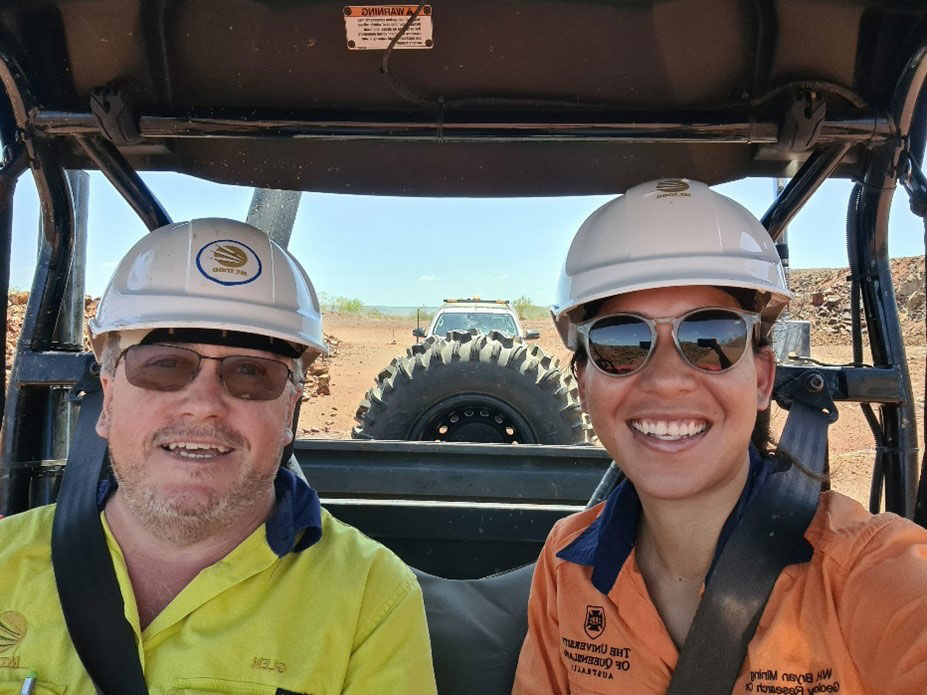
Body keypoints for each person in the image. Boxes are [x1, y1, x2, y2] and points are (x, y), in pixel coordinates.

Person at [513, 179, 927, 693]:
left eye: (711, 340)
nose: (666, 380)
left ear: (760, 379)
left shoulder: (869, 575)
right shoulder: (566, 566)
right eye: (622, 342)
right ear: (582, 385)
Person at [0, 219, 437, 693]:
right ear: (106, 399)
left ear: (290, 413)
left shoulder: (369, 599)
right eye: (165, 365)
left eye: (252, 373)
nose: (205, 404)